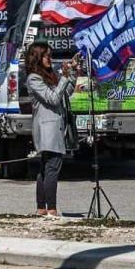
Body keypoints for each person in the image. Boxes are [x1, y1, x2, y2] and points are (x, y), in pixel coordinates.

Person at [25, 43, 80, 219]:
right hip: (47, 127)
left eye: (50, 55)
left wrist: (72, 73)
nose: (50, 59)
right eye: (46, 56)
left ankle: (42, 207)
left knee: (46, 167)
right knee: (52, 167)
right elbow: (53, 99)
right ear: (37, 57)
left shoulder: (49, 75)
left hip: (55, 126)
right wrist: (64, 77)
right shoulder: (34, 78)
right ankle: (51, 208)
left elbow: (65, 93)